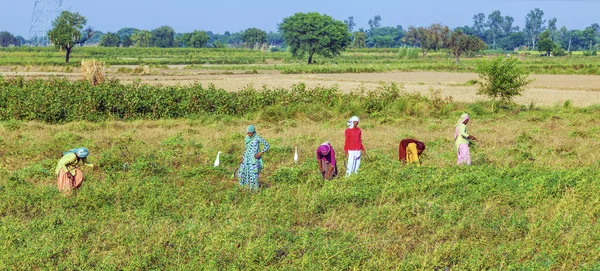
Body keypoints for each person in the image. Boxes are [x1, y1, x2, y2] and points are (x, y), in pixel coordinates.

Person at [238, 125, 270, 190]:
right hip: (246, 158)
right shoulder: (246, 138)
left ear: (253, 132)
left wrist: (260, 153)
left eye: (250, 133)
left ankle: (254, 189)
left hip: (253, 159)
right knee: (242, 173)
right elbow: (246, 149)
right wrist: (243, 157)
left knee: (253, 174)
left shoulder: (257, 137)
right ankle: (245, 188)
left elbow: (267, 145)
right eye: (248, 133)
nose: (249, 134)